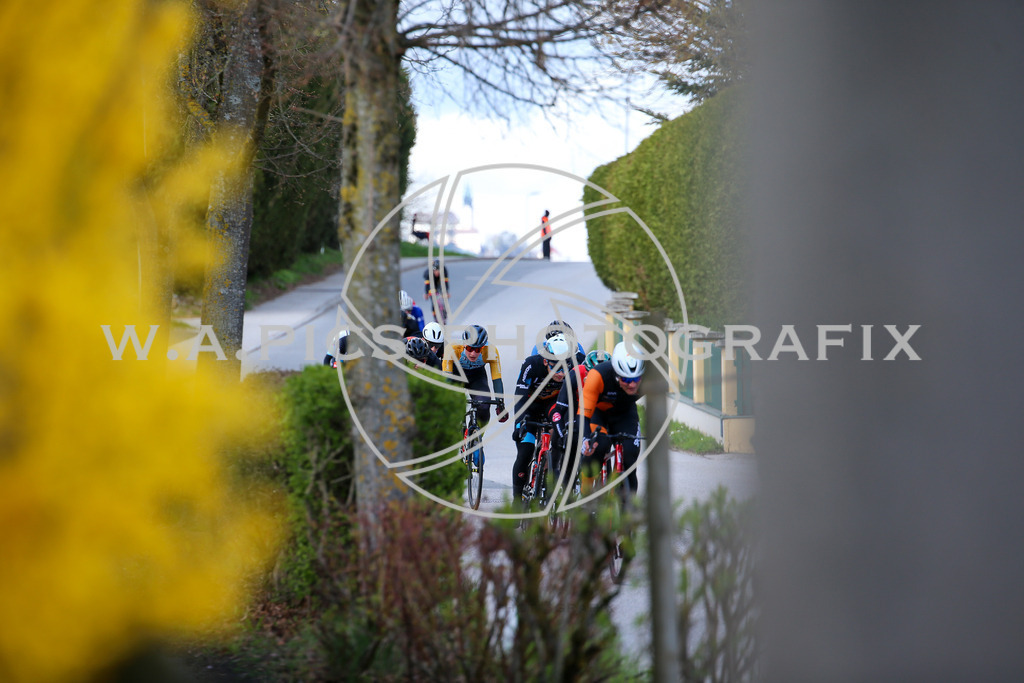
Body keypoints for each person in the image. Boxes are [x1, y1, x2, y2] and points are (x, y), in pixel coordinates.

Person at [510, 334, 574, 501]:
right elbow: (520, 397)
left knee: (560, 438)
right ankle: (517, 501)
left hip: (552, 406)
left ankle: (549, 477)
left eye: (564, 367)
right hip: (529, 408)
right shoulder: (532, 365)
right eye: (556, 367)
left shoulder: (573, 365)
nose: (560, 373)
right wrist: (519, 424)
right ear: (546, 361)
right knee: (525, 452)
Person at [579, 342, 644, 497]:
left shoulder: (649, 378)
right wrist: (585, 439)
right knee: (597, 446)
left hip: (625, 414)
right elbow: (583, 414)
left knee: (630, 456)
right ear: (616, 374)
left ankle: (625, 511)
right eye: (626, 380)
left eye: (636, 379)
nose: (632, 384)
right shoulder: (598, 375)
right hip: (598, 413)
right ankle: (584, 494)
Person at [550, 348, 610, 486]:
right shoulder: (575, 374)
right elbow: (560, 408)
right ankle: (567, 489)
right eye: (592, 374)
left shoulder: (614, 379)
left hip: (598, 411)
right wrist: (562, 433)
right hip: (575, 408)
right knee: (572, 441)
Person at [442, 324, 508, 429]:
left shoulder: (491, 351)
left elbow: (497, 379)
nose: (473, 353)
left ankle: (477, 438)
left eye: (478, 350)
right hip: (456, 375)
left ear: (483, 346)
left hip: (477, 377)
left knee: (484, 406)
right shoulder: (452, 349)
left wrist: (500, 403)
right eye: (469, 348)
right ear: (464, 344)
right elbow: (447, 379)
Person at [423, 258, 451, 323]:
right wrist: (426, 293)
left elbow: (445, 283)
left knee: (443, 297)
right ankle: (435, 317)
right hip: (432, 282)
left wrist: (446, 292)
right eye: (435, 271)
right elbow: (427, 285)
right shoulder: (428, 273)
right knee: (433, 301)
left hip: (440, 281)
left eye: (438, 271)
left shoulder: (444, 271)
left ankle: (444, 312)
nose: (436, 273)